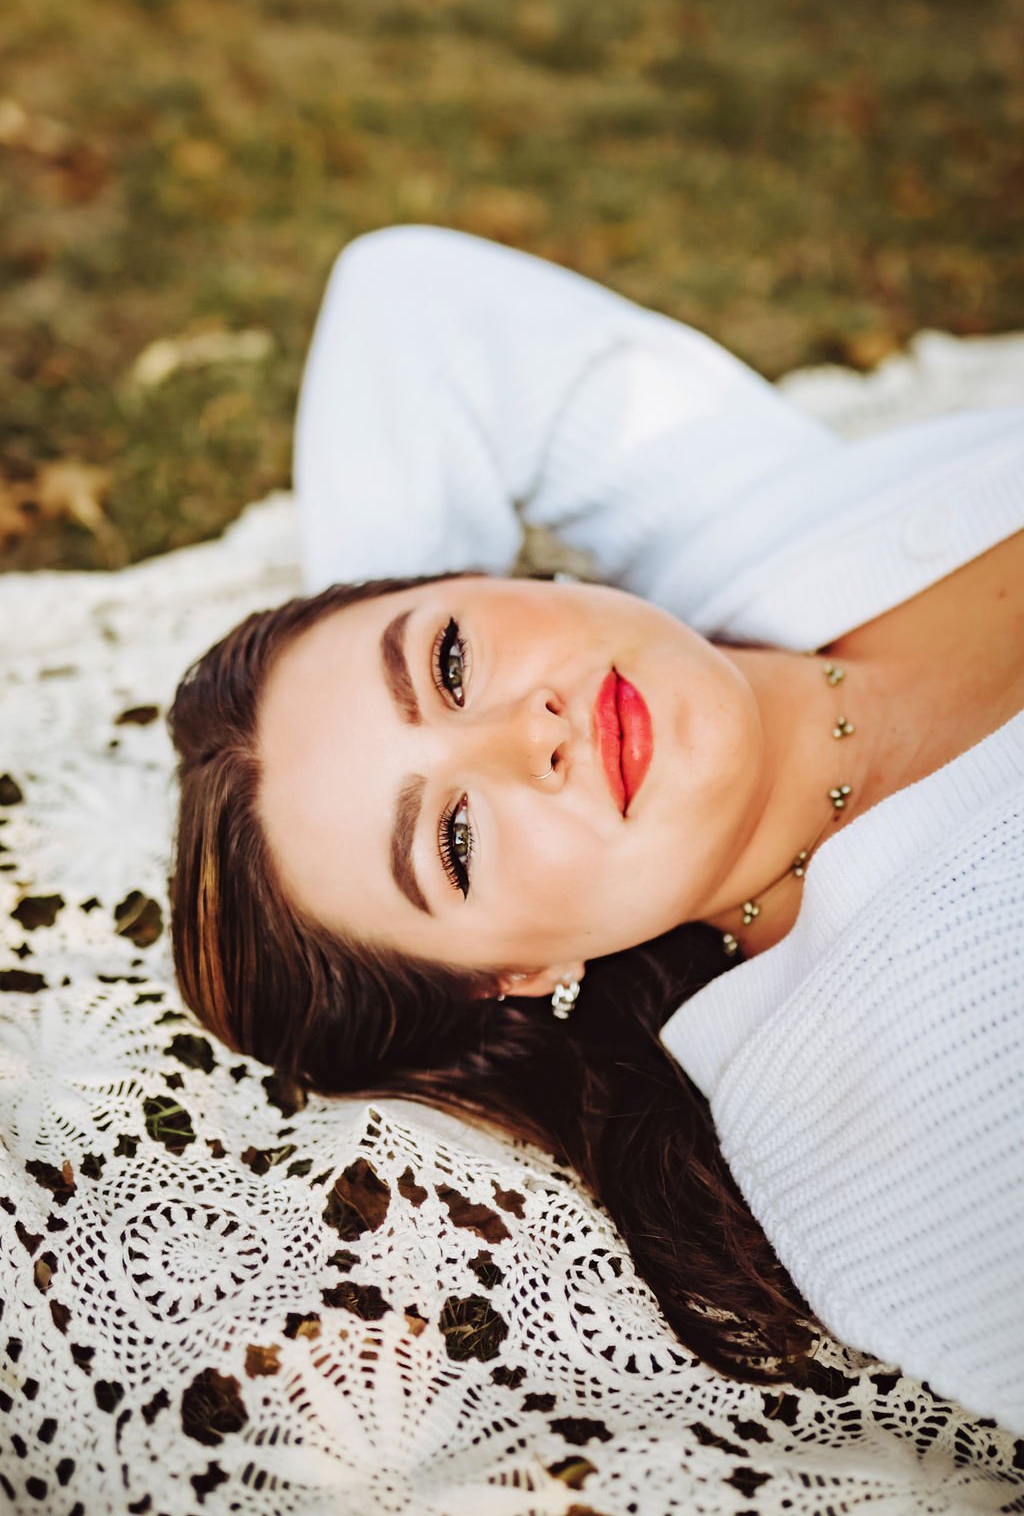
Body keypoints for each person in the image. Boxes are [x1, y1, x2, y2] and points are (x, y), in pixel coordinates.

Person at [169, 226, 1024, 1432]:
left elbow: (410, 296)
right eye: (455, 844)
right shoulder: (889, 1109)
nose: (536, 736)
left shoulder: (734, 533)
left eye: (452, 657)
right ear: (521, 975)